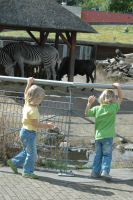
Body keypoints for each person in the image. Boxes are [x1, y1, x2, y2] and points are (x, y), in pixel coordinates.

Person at [8, 77, 54, 179]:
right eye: (40, 99)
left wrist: (28, 83)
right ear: (36, 99)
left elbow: (26, 92)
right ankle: (27, 171)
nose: (41, 101)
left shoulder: (27, 102)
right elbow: (36, 125)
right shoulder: (33, 110)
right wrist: (47, 125)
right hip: (29, 133)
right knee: (32, 153)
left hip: (24, 131)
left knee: (26, 151)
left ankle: (13, 162)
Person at [85, 83, 122, 180]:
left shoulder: (97, 109)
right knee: (107, 154)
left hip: (98, 137)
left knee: (98, 155)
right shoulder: (114, 107)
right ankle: (105, 171)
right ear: (113, 98)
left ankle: (94, 172)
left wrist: (89, 103)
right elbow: (120, 99)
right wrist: (118, 87)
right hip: (108, 136)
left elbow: (86, 113)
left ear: (102, 98)